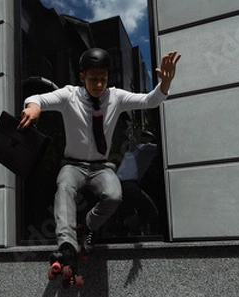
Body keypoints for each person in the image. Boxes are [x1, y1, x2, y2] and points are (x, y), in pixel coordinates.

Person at [18, 48, 181, 266]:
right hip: (73, 165)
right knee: (64, 186)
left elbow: (150, 101)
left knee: (114, 195)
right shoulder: (69, 95)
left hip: (102, 168)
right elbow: (37, 98)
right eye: (93, 79)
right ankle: (66, 245)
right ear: (82, 76)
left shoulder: (117, 97)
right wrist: (33, 107)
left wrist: (165, 85)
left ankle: (89, 226)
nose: (98, 85)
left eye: (103, 80)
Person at [116, 130, 159, 235]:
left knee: (130, 211)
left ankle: (125, 228)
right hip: (130, 185)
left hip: (119, 185)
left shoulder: (131, 150)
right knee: (151, 212)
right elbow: (166, 149)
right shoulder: (146, 148)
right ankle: (125, 225)